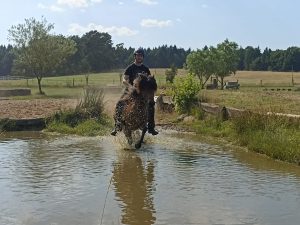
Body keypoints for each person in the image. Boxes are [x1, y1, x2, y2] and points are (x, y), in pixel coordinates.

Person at [111, 47, 159, 136]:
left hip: (142, 93)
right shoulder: (130, 68)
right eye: (138, 55)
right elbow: (124, 80)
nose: (139, 57)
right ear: (135, 56)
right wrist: (131, 86)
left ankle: (151, 127)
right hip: (130, 91)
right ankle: (117, 125)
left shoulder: (146, 69)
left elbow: (149, 81)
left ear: (143, 57)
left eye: (141, 56)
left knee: (151, 106)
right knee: (119, 104)